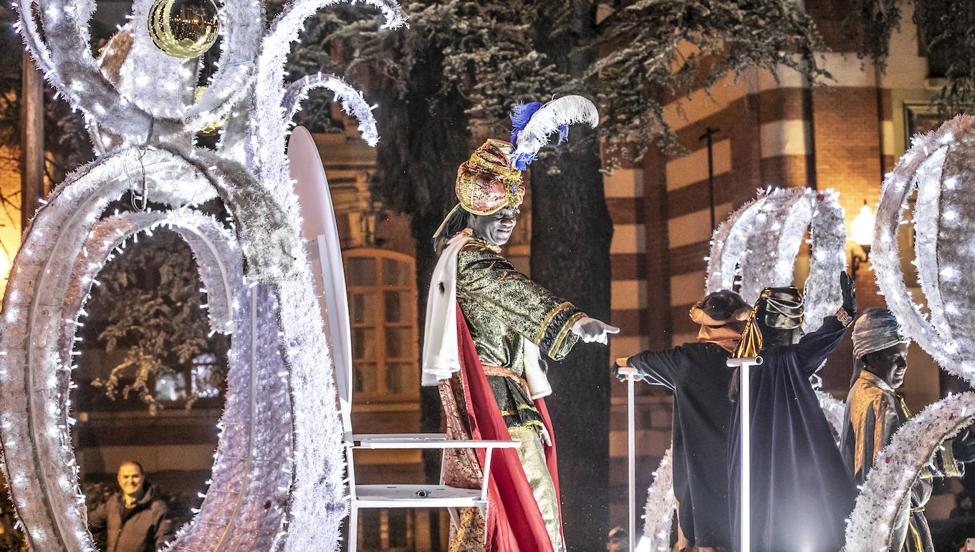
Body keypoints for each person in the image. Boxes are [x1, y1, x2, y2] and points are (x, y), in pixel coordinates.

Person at [422, 97, 618, 552]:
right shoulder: (471, 259)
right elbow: (517, 294)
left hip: (503, 396)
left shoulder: (463, 255)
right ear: (476, 213)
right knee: (528, 504)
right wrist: (574, 320)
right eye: (499, 216)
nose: (508, 224)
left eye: (513, 215)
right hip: (498, 403)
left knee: (503, 508)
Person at [727, 272, 858, 551]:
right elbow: (823, 340)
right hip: (793, 466)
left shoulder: (744, 365)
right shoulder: (789, 360)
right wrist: (846, 313)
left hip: (754, 464)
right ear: (790, 327)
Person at [615, 290, 751, 551]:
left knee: (704, 536)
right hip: (747, 460)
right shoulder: (754, 357)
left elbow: (643, 362)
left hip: (701, 467)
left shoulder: (690, 360)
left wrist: (625, 365)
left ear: (705, 325)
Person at [841, 307, 975, 551]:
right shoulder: (880, 401)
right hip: (898, 529)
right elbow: (894, 465)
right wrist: (949, 452)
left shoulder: (860, 393)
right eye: (895, 357)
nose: (904, 364)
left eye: (905, 355)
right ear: (870, 358)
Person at [88, 461, 173, 552]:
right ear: (119, 479)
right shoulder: (113, 503)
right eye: (126, 477)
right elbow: (89, 523)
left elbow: (165, 545)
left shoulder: (157, 508)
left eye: (135, 476)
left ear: (143, 478)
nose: (130, 481)